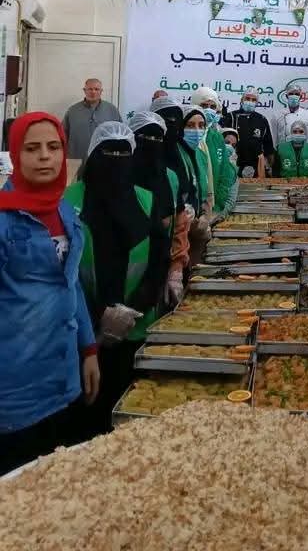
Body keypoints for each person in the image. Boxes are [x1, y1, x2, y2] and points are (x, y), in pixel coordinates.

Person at [0, 113, 100, 475]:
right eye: (32, 148)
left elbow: (71, 284)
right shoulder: (4, 219)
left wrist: (88, 349)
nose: (45, 156)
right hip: (15, 390)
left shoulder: (63, 209)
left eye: (53, 146)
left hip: (64, 379)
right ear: (15, 154)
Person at [65, 121, 169, 435]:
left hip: (134, 331)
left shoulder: (145, 199)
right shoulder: (68, 202)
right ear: (93, 156)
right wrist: (99, 316)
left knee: (129, 419)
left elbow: (158, 261)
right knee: (86, 422)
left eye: (124, 154)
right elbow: (63, 272)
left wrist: (131, 310)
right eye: (107, 153)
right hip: (84, 336)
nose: (116, 160)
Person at [149, 96, 194, 305]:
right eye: (166, 120)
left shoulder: (181, 152)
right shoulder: (137, 162)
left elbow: (179, 216)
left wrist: (176, 265)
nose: (172, 126)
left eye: (176, 120)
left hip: (176, 247)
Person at [195, 87, 237, 213]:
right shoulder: (188, 136)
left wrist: (217, 205)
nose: (208, 109)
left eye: (212, 107)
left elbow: (224, 173)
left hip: (213, 207)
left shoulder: (217, 137)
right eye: (204, 105)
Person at [179, 107, 212, 265]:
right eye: (190, 126)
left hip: (197, 228)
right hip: (178, 229)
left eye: (201, 126)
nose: (197, 131)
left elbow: (204, 189)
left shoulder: (201, 154)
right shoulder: (176, 153)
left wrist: (205, 215)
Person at [62, 78, 121, 161]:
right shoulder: (72, 111)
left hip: (105, 158)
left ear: (101, 91)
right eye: (90, 89)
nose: (93, 92)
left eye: (96, 89)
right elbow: (63, 134)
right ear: (84, 90)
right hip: (77, 158)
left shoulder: (111, 110)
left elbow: (120, 134)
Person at [222, 88, 274, 178]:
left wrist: (270, 167)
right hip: (233, 164)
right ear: (242, 100)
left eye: (253, 100)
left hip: (257, 167)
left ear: (257, 103)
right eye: (247, 98)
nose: (250, 102)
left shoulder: (262, 120)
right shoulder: (230, 117)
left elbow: (268, 147)